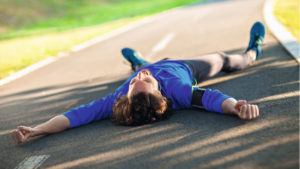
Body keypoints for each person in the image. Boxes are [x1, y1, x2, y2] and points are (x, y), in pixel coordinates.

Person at [11, 22, 265, 143]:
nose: (138, 80)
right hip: (185, 67)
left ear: (126, 96)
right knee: (224, 60)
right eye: (144, 80)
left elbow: (73, 117)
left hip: (155, 64)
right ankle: (253, 52)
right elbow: (211, 98)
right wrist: (235, 107)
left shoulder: (118, 98)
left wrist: (38, 129)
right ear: (161, 94)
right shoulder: (178, 90)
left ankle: (138, 61)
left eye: (135, 84)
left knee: (142, 67)